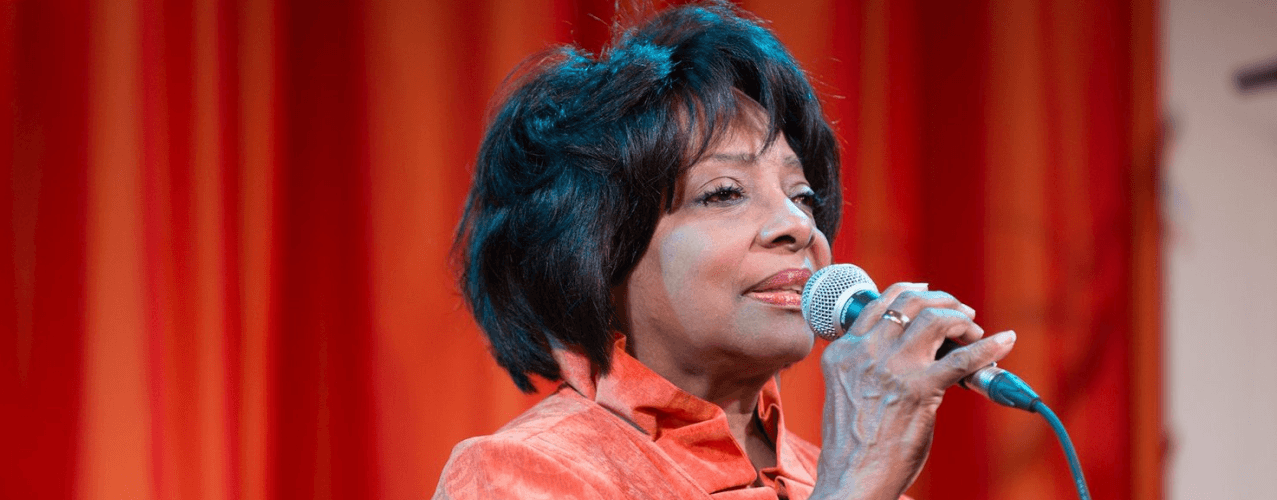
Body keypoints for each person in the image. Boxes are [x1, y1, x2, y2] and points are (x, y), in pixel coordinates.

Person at [435, 2, 1015, 498]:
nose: (796, 225)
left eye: (803, 194)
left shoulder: (834, 474)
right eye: (724, 193)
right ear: (597, 252)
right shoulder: (524, 472)